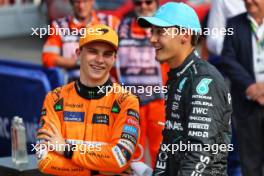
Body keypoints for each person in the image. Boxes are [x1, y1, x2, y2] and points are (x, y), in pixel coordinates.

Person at [138, 2, 232, 175]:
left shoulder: (203, 79)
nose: (152, 39)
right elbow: (169, 144)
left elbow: (200, 152)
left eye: (160, 32)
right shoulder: (179, 75)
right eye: (153, 31)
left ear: (185, 35)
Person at [36, 24, 140, 176]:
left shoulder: (126, 101)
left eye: (107, 54)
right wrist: (98, 170)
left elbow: (119, 158)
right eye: (93, 52)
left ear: (114, 59)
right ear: (78, 53)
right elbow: (44, 160)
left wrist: (67, 150)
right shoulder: (55, 99)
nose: (99, 60)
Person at [116, 0, 168, 168]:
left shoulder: (167, 28)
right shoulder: (120, 27)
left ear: (157, 4)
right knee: (134, 152)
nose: (144, 7)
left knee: (161, 151)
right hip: (131, 103)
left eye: (148, 2)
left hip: (159, 102)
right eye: (139, 2)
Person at [219, 0, 264, 175]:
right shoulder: (233, 24)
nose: (248, 1)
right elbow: (227, 59)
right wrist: (251, 86)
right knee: (250, 164)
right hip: (247, 104)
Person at [42, 0, 119, 82]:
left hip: (106, 83)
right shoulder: (59, 26)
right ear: (71, 3)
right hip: (72, 83)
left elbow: (124, 56)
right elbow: (48, 59)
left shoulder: (110, 22)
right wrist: (79, 62)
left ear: (92, 1)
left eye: (85, 1)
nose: (81, 6)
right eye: (77, 2)